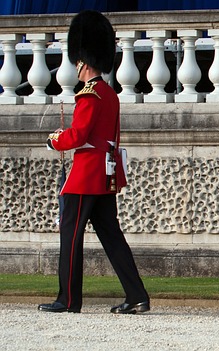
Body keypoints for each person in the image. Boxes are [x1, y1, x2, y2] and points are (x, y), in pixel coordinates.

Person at [38, 10, 150, 315]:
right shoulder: (109, 94)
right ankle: (137, 295)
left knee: (70, 235)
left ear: (82, 62)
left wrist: (55, 140)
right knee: (111, 236)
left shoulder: (89, 95)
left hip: (87, 173)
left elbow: (79, 134)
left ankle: (68, 299)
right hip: (105, 173)